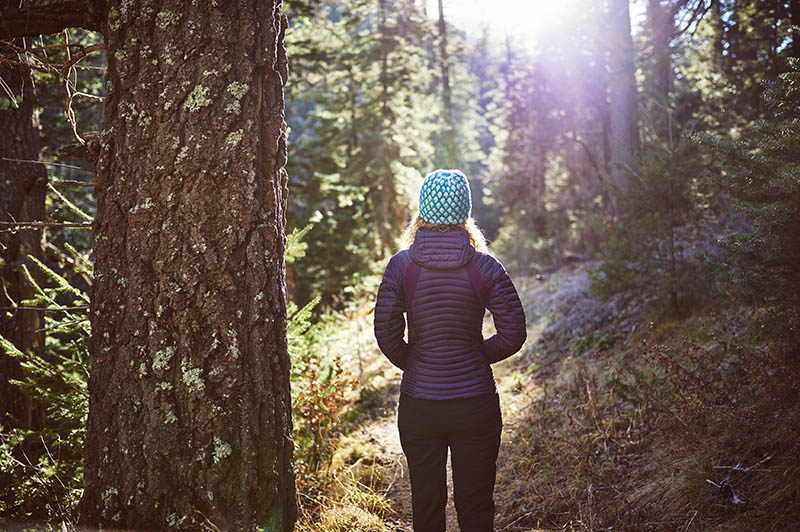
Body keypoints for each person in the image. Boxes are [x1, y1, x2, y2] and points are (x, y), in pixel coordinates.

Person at [374, 169, 527, 532]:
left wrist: (415, 363)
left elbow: (386, 334)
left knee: (425, 507)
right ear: (465, 215)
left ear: (422, 212)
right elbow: (514, 333)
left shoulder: (401, 266)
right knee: (476, 506)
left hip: (420, 406)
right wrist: (474, 356)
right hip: (475, 405)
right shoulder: (485, 267)